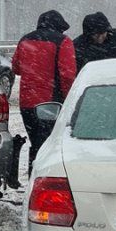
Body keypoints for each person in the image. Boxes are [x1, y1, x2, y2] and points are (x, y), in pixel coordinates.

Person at [11, 10, 77, 166]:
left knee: (36, 143)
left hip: (26, 102)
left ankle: (32, 177)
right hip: (51, 103)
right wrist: (70, 100)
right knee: (50, 145)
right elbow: (67, 75)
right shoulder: (63, 41)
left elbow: (16, 68)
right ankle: (44, 178)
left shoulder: (25, 40)